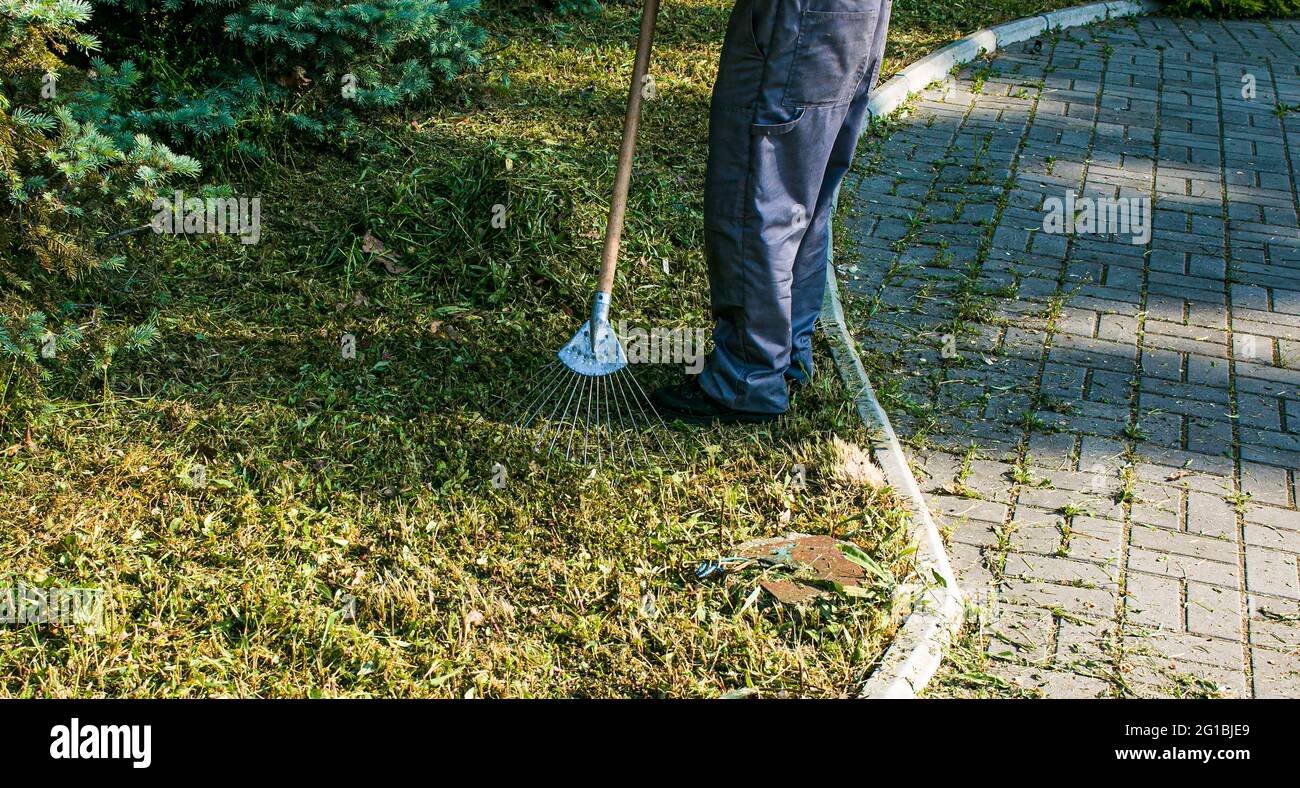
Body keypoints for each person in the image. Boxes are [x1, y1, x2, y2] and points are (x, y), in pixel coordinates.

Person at [651, 0, 892, 424]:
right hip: (856, 18)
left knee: (755, 196)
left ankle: (747, 379)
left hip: (795, 23)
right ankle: (788, 356)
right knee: (807, 201)